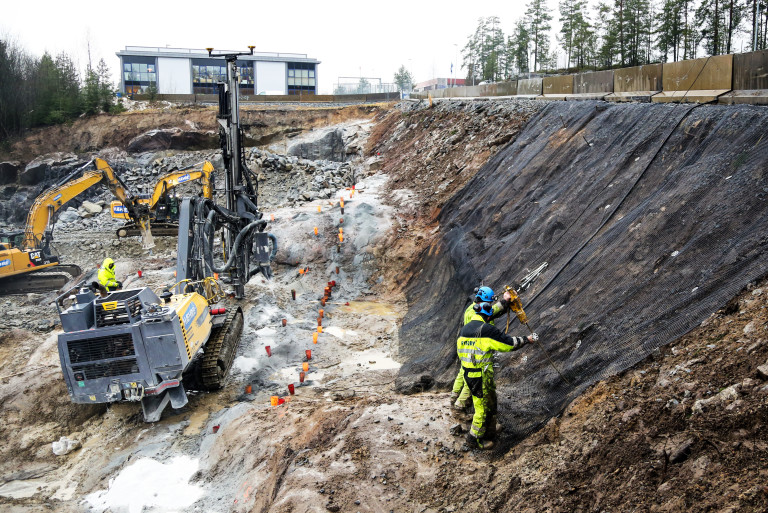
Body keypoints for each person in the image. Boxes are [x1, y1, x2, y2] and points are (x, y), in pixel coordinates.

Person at [457, 300, 537, 450]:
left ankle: (490, 431)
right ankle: (473, 439)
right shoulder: (486, 330)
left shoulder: (465, 329)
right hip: (480, 376)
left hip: (469, 373)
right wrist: (527, 339)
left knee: (488, 402)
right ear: (488, 316)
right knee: (482, 407)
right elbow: (508, 344)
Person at [450, 286, 511, 414]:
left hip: (469, 347)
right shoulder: (474, 312)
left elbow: (491, 312)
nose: (489, 305)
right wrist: (504, 301)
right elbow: (492, 311)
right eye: (488, 303)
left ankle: (454, 397)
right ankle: (459, 406)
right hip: (475, 349)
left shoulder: (472, 308)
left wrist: (504, 305)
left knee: (463, 373)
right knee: (470, 379)